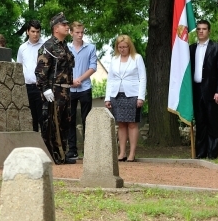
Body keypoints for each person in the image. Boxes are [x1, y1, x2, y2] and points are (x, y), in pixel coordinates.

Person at [35, 12, 75, 165]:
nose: (67, 27)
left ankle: (62, 154)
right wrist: (45, 88)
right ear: (55, 28)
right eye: (64, 25)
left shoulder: (64, 46)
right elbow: (40, 71)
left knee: (65, 123)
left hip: (65, 90)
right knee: (52, 123)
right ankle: (53, 155)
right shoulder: (48, 46)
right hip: (54, 90)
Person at [104, 35, 146, 162]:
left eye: (124, 47)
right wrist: (107, 98)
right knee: (121, 124)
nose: (122, 49)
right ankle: (122, 153)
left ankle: (132, 153)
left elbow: (143, 78)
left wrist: (141, 97)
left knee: (132, 124)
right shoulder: (114, 59)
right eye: (120, 47)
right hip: (116, 95)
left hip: (132, 95)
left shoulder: (137, 58)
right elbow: (110, 79)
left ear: (129, 47)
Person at [189, 20, 218, 160]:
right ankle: (201, 153)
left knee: (213, 123)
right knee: (200, 122)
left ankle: (212, 154)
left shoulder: (217, 47)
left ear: (209, 31)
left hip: (212, 91)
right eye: (199, 29)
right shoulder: (191, 49)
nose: (201, 31)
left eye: (204, 29)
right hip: (196, 90)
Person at [67, 21, 97, 160]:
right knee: (70, 120)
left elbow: (93, 67)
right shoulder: (66, 48)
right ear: (71, 33)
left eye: (82, 32)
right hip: (70, 88)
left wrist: (80, 79)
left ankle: (88, 150)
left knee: (87, 120)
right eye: (77, 32)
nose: (80, 35)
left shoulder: (90, 48)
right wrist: (71, 81)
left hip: (85, 87)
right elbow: (63, 67)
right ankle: (72, 150)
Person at [16, 20, 45, 133]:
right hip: (28, 87)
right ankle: (34, 144)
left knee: (42, 117)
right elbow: (19, 67)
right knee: (31, 117)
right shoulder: (22, 48)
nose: (35, 34)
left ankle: (45, 144)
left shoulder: (45, 45)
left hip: (42, 87)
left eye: (37, 31)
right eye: (33, 31)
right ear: (28, 32)